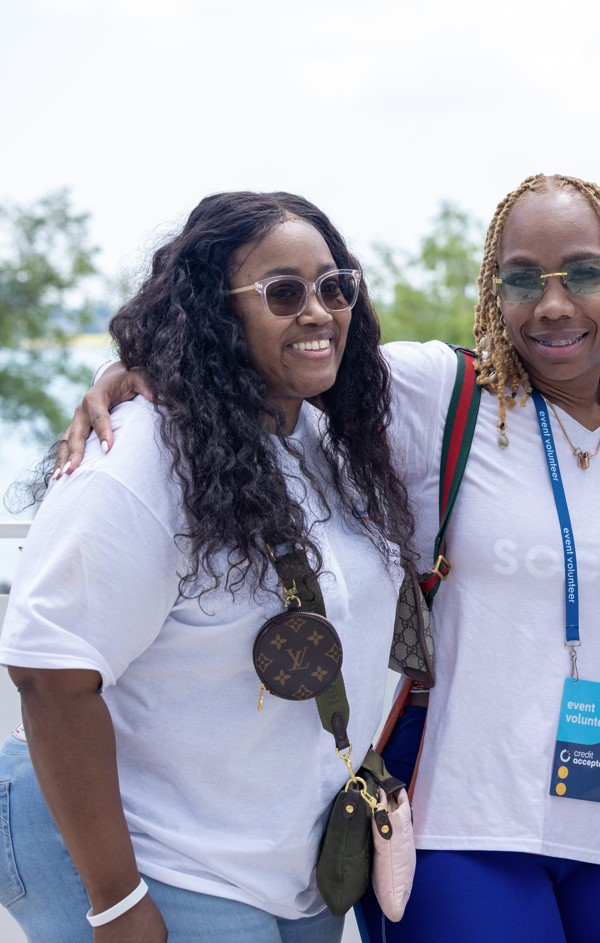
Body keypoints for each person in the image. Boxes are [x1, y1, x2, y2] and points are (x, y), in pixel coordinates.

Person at [63, 174, 600, 943]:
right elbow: (277, 355)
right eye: (522, 277)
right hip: (460, 822)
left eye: (584, 274)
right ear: (495, 291)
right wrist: (130, 375)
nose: (553, 304)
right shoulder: (442, 395)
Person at [0, 191, 415, 942]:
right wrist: (118, 902)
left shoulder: (326, 437)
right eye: (282, 293)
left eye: (335, 285)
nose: (318, 311)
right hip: (161, 862)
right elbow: (49, 673)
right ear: (212, 312)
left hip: (293, 874)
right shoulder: (143, 456)